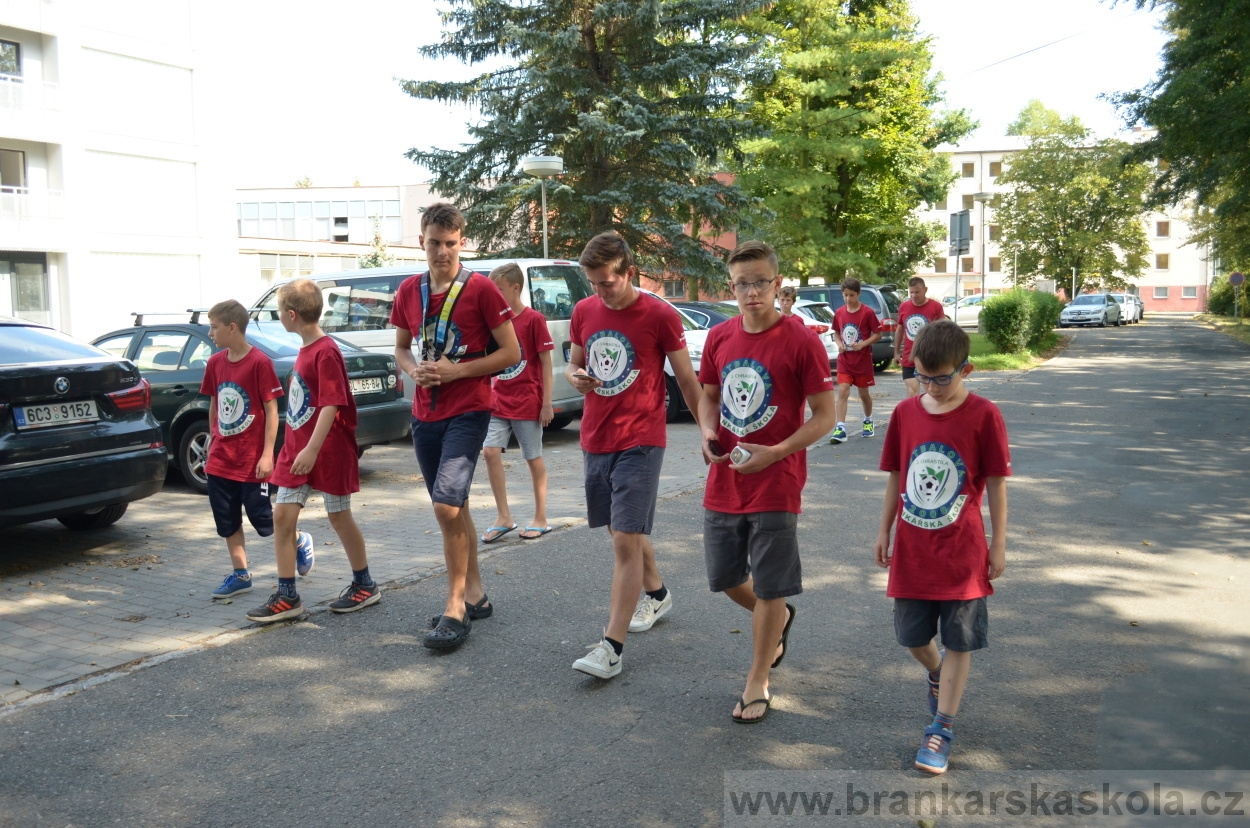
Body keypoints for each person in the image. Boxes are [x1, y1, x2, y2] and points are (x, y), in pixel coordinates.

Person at [698, 241, 835, 722]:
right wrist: (707, 430)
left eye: (760, 282)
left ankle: (757, 679)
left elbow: (825, 416)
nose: (751, 291)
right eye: (742, 283)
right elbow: (708, 396)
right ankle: (777, 618)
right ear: (731, 287)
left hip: (778, 479)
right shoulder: (719, 337)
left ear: (777, 285)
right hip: (726, 476)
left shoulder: (801, 341)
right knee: (726, 578)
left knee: (772, 586)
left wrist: (776, 452)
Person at [873, 319, 1010, 775]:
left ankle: (942, 727)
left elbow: (995, 485)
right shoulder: (906, 413)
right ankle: (935, 672)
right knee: (912, 636)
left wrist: (999, 543)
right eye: (923, 376)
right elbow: (897, 474)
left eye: (942, 378)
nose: (931, 387)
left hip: (962, 552)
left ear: (966, 370)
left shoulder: (984, 414)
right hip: (914, 550)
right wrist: (884, 530)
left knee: (958, 640)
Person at [566, 232, 701, 680]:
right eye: (594, 283)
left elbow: (685, 378)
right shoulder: (584, 310)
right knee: (623, 530)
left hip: (642, 438)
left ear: (629, 272)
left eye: (607, 282)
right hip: (595, 437)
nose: (600, 292)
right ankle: (658, 594)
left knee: (625, 539)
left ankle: (611, 647)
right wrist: (576, 376)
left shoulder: (659, 314)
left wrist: (708, 432)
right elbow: (574, 362)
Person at [391, 202, 521, 651]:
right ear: (421, 241)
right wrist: (414, 371)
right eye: (434, 243)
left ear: (461, 242)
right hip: (424, 412)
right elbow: (402, 349)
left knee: (446, 506)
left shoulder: (482, 289)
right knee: (455, 504)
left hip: (469, 409)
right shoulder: (409, 290)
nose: (441, 251)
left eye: (450, 243)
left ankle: (454, 607)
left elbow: (512, 353)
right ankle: (477, 594)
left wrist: (457, 372)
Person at [246, 279, 381, 623]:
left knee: (338, 515)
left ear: (292, 315)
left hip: (327, 451)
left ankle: (364, 585)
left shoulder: (326, 351)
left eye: (279, 313)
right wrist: (295, 448)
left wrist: (311, 448)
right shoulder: (306, 350)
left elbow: (332, 404)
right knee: (282, 516)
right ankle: (288, 594)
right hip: (297, 453)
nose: (280, 318)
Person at [200, 299, 313, 599]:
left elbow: (272, 411)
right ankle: (241, 574)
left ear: (232, 328)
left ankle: (300, 540)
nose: (210, 333)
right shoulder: (215, 363)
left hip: (252, 461)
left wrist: (267, 455)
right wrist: (213, 437)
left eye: (214, 327)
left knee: (263, 518)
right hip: (221, 461)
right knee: (227, 519)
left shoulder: (259, 363)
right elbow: (214, 403)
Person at [480, 262, 555, 542]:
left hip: (527, 402)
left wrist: (547, 403)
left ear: (515, 289)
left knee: (532, 458)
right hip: (498, 401)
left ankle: (541, 518)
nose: (494, 296)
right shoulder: (496, 320)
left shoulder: (534, 319)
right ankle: (504, 516)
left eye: (498, 290)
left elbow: (546, 363)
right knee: (489, 452)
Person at [829, 277, 881, 443]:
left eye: (851, 295)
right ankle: (840, 427)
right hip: (845, 359)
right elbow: (836, 332)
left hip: (862, 360)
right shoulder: (839, 313)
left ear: (858, 294)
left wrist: (863, 344)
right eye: (845, 295)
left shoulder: (867, 313)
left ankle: (868, 420)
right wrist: (839, 344)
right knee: (843, 390)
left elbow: (878, 334)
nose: (848, 299)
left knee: (863, 394)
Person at [895, 276, 948, 398]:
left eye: (917, 292)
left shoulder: (935, 307)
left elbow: (943, 330)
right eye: (911, 292)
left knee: (932, 393)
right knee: (912, 392)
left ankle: (931, 415)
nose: (914, 295)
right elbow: (899, 329)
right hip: (909, 357)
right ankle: (913, 416)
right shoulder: (904, 307)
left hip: (929, 357)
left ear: (925, 290)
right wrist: (896, 352)